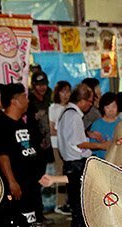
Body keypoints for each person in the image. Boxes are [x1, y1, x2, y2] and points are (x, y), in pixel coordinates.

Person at [56, 83, 109, 227]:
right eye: (90, 101)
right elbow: (79, 143)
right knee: (81, 207)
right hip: (76, 164)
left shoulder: (66, 113)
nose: (90, 105)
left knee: (78, 206)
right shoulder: (73, 116)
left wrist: (88, 134)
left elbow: (73, 138)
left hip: (70, 163)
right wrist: (101, 145)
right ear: (83, 100)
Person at [0, 83, 44, 227]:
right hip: (18, 188)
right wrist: (12, 182)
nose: (28, 100)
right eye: (24, 97)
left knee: (35, 226)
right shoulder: (1, 124)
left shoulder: (22, 123)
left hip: (31, 186)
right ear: (14, 101)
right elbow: (2, 155)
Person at [48, 81, 71, 215]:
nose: (65, 94)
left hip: (69, 145)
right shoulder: (54, 108)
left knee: (67, 172)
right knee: (60, 171)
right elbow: (52, 129)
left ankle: (67, 201)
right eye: (63, 91)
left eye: (68, 91)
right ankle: (60, 203)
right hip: (57, 144)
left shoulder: (70, 107)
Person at [88, 92, 120, 160]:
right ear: (103, 108)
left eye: (114, 107)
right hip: (101, 161)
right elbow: (91, 146)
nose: (111, 110)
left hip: (119, 161)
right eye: (107, 107)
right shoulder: (96, 124)